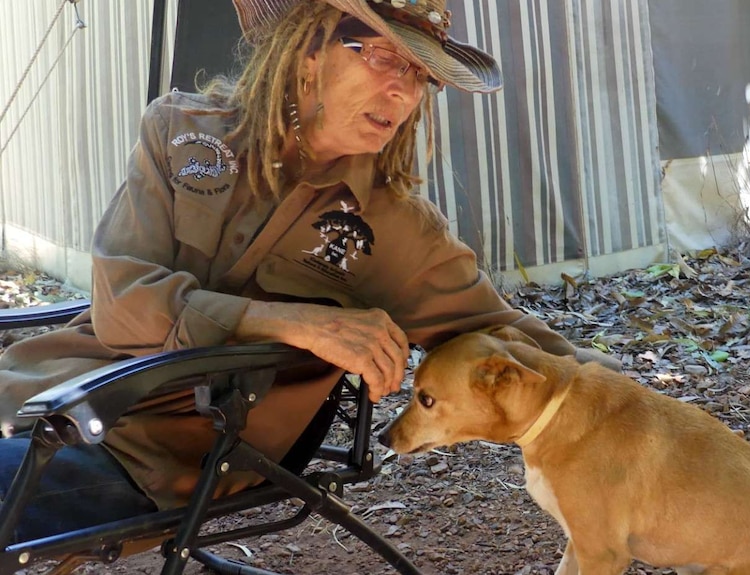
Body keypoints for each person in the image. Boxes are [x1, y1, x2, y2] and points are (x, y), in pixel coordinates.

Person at [0, 0, 619, 542]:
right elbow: (122, 303)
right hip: (44, 391)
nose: (404, 93)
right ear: (308, 54)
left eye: (418, 74)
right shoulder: (182, 134)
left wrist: (649, 413)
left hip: (156, 456)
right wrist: (291, 322)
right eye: (383, 57)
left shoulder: (394, 227)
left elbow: (519, 342)